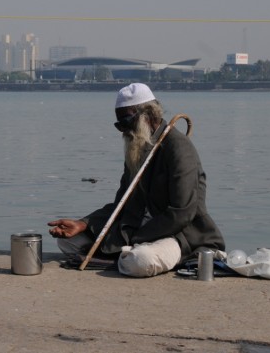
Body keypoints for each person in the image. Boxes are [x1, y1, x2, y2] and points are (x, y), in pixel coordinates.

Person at [48, 83, 225, 277]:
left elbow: (182, 213)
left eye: (126, 122)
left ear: (148, 115)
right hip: (134, 231)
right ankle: (121, 255)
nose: (124, 131)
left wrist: (135, 239)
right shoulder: (137, 149)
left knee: (140, 260)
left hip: (178, 236)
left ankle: (120, 256)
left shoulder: (179, 148)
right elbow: (120, 206)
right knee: (67, 241)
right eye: (119, 125)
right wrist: (83, 224)